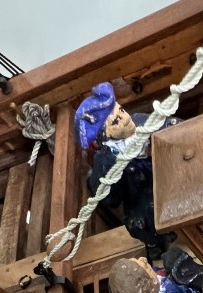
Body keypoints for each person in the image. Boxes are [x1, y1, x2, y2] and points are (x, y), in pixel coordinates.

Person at [74, 82, 177, 261]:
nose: (124, 118)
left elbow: (171, 127)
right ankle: (155, 244)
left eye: (121, 111)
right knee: (143, 223)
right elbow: (111, 200)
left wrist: (168, 131)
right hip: (142, 196)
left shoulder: (140, 121)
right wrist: (107, 166)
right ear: (103, 137)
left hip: (167, 175)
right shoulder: (106, 159)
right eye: (115, 121)